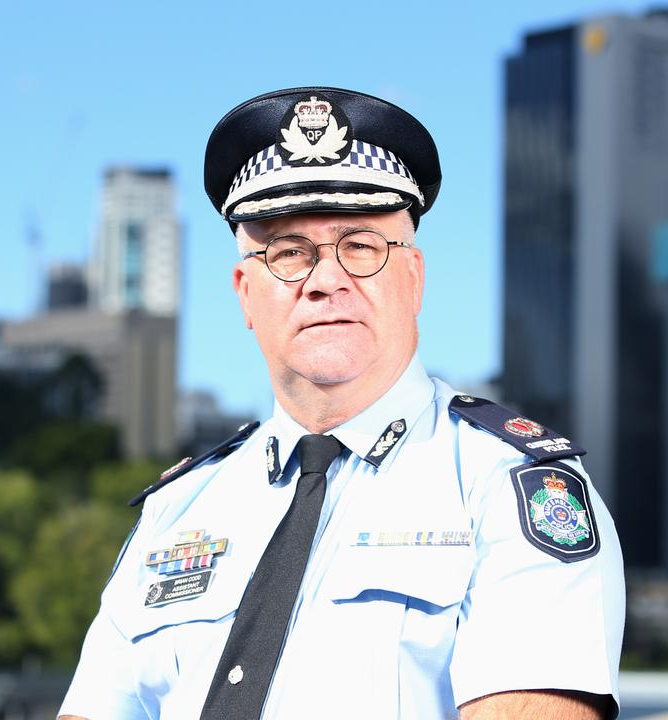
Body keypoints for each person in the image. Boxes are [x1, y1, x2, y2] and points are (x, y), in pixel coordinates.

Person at [58, 87, 624, 719]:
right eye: (288, 253)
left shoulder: (511, 488)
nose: (326, 280)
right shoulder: (176, 510)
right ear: (246, 294)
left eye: (360, 246)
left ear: (413, 278)